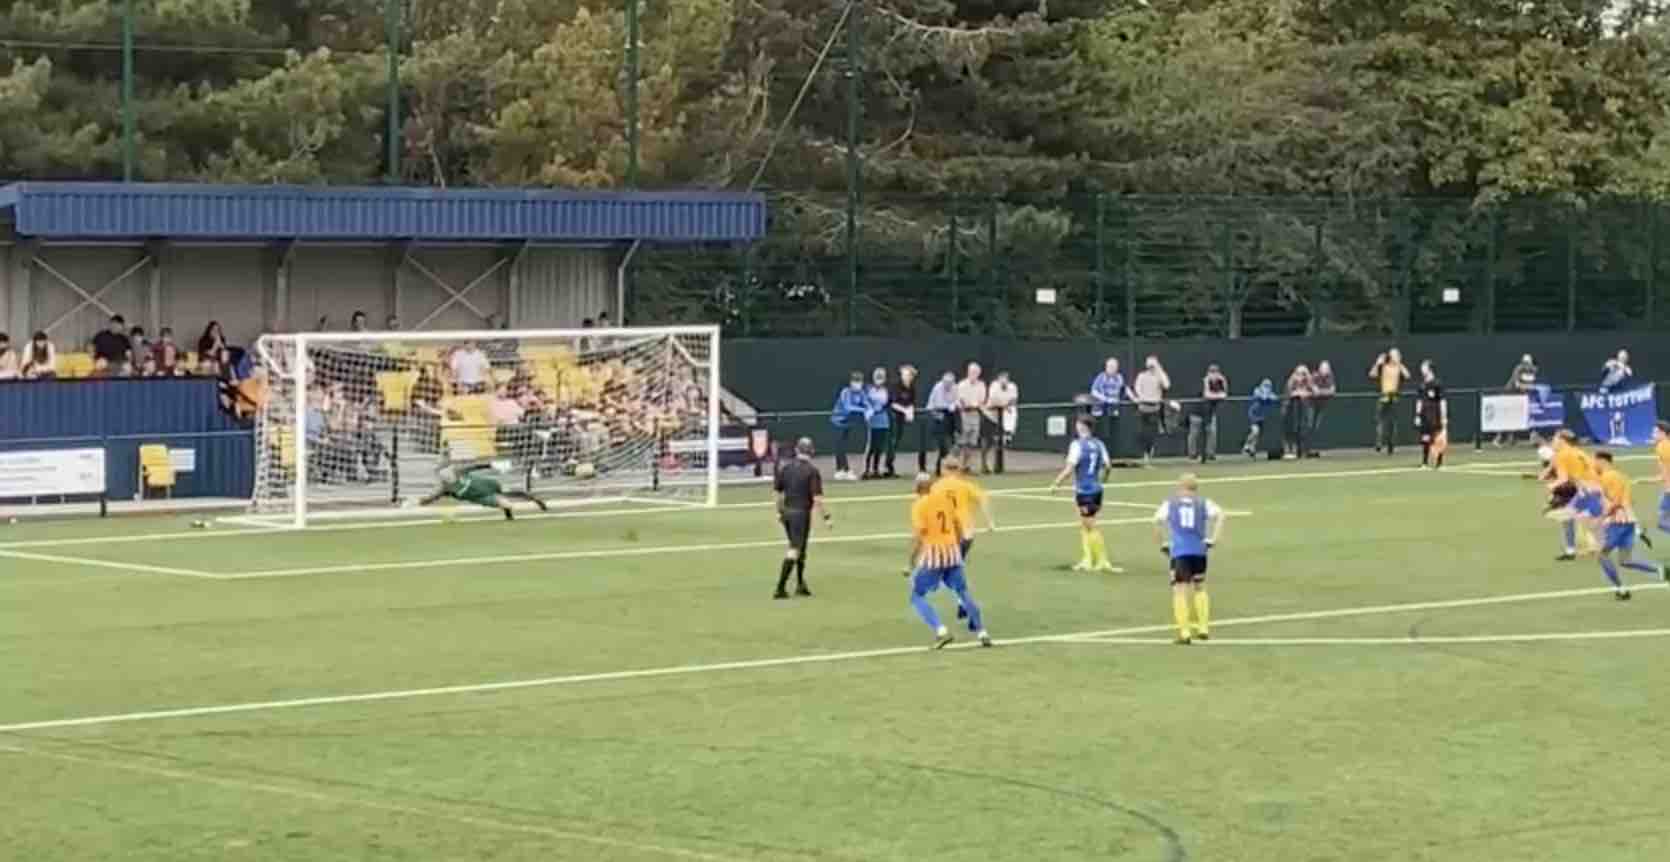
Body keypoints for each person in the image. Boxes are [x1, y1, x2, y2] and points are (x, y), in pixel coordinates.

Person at [905, 472, 991, 649]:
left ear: (917, 488)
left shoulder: (919, 505)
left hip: (935, 554)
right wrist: (956, 546)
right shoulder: (943, 501)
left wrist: (910, 561)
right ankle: (982, 632)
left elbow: (919, 536)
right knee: (962, 591)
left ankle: (941, 631)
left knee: (917, 596)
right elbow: (958, 525)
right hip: (952, 550)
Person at [1154, 474, 1226, 645]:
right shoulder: (1203, 503)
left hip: (1180, 552)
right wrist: (1213, 539)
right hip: (1199, 551)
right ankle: (1203, 628)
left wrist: (1162, 544)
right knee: (1200, 587)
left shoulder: (1170, 503)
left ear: (1180, 487)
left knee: (1179, 590)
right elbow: (1222, 515)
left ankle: (1184, 632)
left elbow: (1156, 521)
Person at [1593, 451, 1666, 601]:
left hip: (1618, 522)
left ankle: (1621, 590)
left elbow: (1616, 501)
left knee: (1602, 555)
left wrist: (1602, 517)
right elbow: (1629, 500)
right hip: (1629, 521)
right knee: (1625, 560)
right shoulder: (1621, 476)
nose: (1594, 465)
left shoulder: (1608, 477)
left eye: (1595, 461)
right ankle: (1660, 570)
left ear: (1602, 461)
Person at [934, 455, 996, 629]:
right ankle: (964, 605)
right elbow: (984, 499)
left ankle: (968, 606)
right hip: (967, 535)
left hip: (948, 536)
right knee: (954, 570)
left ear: (945, 469)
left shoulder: (938, 486)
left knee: (945, 574)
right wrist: (990, 522)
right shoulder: (965, 486)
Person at [1049, 417, 1117, 572]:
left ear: (1082, 426)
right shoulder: (1099, 444)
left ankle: (1101, 560)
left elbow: (1070, 468)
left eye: (1078, 424)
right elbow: (1108, 466)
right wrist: (1103, 480)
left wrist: (1056, 483)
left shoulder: (1077, 445)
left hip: (1084, 490)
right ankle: (1088, 559)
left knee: (1089, 526)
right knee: (1087, 525)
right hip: (1097, 489)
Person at [773, 437, 831, 599]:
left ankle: (800, 583)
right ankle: (780, 587)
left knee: (801, 549)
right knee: (795, 549)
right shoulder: (812, 471)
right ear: (811, 452)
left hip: (787, 513)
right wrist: (826, 517)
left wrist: (779, 511)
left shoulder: (786, 468)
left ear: (797, 450)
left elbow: (777, 492)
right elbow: (817, 499)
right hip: (801, 514)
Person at [414, 462, 549, 520]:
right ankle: (509, 515)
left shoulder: (459, 471)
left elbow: (476, 466)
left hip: (487, 484)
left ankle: (536, 500)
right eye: (443, 474)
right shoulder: (445, 489)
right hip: (481, 497)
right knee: (507, 504)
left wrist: (491, 465)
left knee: (513, 492)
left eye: (446, 472)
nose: (446, 475)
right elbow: (430, 499)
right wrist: (418, 502)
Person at [1547, 430, 1603, 561]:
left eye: (1555, 439)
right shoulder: (1579, 452)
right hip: (1593, 488)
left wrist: (1551, 486)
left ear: (1562, 441)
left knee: (1588, 521)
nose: (1553, 442)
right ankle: (1572, 550)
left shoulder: (1562, 455)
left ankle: (1632, 533)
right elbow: (1594, 469)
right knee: (1570, 518)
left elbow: (1563, 478)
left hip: (1587, 491)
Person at [828, 371, 869, 481]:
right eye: (855, 381)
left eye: (859, 381)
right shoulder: (845, 392)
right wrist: (864, 410)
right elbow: (848, 407)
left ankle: (840, 471)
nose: (857, 384)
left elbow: (867, 403)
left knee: (842, 446)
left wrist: (870, 410)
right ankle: (845, 470)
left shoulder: (861, 393)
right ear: (851, 382)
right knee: (840, 446)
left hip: (848, 423)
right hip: (837, 421)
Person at [1369, 349, 1410, 455]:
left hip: (1394, 397)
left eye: (1397, 355)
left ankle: (1391, 445)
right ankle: (1379, 443)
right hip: (1383, 397)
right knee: (1379, 421)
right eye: (1394, 355)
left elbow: (1407, 375)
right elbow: (1372, 374)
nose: (1396, 357)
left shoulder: (1398, 367)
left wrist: (1400, 364)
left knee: (1392, 424)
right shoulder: (1384, 366)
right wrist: (1377, 363)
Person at [1132, 355, 1169, 464]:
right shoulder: (1141, 376)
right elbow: (1137, 388)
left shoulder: (1159, 376)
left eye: (1153, 365)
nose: (1151, 367)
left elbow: (1166, 385)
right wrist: (1142, 397)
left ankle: (1149, 453)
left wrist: (1160, 370)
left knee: (1151, 433)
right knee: (1143, 433)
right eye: (1150, 365)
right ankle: (1145, 454)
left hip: (1154, 408)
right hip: (1143, 408)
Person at [1090, 358, 1128, 459]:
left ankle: (1111, 457)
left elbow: (1124, 389)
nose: (1112, 369)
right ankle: (1099, 456)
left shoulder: (1119, 378)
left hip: (1113, 411)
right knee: (1102, 434)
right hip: (1100, 411)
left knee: (1113, 435)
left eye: (1114, 367)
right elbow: (1094, 391)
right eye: (1110, 367)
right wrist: (1106, 399)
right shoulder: (1101, 377)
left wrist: (1134, 397)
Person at [885, 364, 919, 477]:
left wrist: (911, 411)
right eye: (904, 374)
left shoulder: (912, 388)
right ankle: (888, 468)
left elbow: (911, 403)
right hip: (893, 416)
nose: (905, 376)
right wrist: (905, 411)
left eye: (908, 374)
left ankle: (890, 466)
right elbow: (893, 404)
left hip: (901, 419)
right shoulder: (896, 386)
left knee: (897, 441)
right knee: (892, 441)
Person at [1189, 364, 1228, 463]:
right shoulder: (1204, 381)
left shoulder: (1220, 382)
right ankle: (1192, 455)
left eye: (1216, 372)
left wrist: (1224, 381)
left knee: (1212, 432)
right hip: (1196, 412)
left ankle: (1210, 454)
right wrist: (1218, 395)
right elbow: (1206, 395)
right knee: (1194, 434)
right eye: (1212, 372)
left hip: (1210, 412)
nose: (1214, 375)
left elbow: (1225, 394)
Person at [1414, 360, 1447, 470]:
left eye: (1424, 367)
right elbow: (1419, 401)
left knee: (1438, 438)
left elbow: (1442, 401)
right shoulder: (1421, 385)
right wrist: (1418, 415)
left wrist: (1443, 417)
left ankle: (1439, 463)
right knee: (1425, 438)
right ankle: (1424, 463)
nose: (1422, 369)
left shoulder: (1437, 383)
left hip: (1435, 415)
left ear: (1429, 369)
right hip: (1425, 416)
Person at [924, 370, 958, 474]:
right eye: (946, 382)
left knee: (948, 445)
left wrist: (954, 404)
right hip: (936, 417)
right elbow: (939, 405)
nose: (948, 385)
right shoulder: (938, 387)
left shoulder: (955, 388)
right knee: (943, 445)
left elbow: (957, 400)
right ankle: (939, 469)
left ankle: (941, 469)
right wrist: (950, 406)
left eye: (950, 383)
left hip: (949, 418)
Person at [985, 370, 1018, 474]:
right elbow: (993, 400)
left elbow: (1014, 400)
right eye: (1001, 380)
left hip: (1005, 412)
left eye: (1005, 380)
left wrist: (1006, 405)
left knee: (1012, 410)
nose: (1003, 382)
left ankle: (1008, 434)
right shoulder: (994, 386)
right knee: (989, 441)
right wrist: (1003, 405)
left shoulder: (1012, 386)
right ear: (998, 380)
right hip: (991, 414)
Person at [955, 362, 987, 469]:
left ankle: (966, 465)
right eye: (972, 372)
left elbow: (981, 400)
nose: (974, 374)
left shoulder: (981, 385)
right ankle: (957, 464)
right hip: (964, 414)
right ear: (968, 372)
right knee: (962, 441)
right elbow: (962, 400)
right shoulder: (962, 385)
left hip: (975, 414)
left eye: (976, 372)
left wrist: (976, 405)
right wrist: (969, 404)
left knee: (972, 442)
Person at [862, 366, 891, 479]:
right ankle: (866, 470)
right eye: (877, 377)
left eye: (881, 377)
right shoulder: (868, 389)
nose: (879, 379)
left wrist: (880, 407)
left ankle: (876, 470)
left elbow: (887, 403)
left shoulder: (886, 390)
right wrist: (871, 410)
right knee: (871, 447)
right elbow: (866, 402)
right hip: (873, 421)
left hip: (883, 421)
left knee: (879, 447)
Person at [1282, 364, 1312, 459]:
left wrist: (1306, 393)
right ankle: (1290, 451)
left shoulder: (1308, 382)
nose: (1301, 376)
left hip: (1304, 410)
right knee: (1292, 429)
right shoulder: (1291, 382)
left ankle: (1303, 451)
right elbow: (1288, 394)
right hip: (1291, 410)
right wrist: (1295, 394)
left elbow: (1314, 391)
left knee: (1304, 428)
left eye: (1303, 374)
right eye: (1298, 373)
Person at [1242, 378, 1279, 458]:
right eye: (1265, 385)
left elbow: (1275, 398)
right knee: (1255, 431)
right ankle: (1246, 445)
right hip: (1254, 415)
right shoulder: (1257, 390)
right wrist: (1268, 395)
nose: (1266, 387)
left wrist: (1271, 396)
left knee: (1257, 434)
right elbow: (1263, 397)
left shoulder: (1270, 393)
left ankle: (1252, 449)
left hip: (1261, 417)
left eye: (1268, 386)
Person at [1308, 360, 1335, 455]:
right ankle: (1304, 449)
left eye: (1328, 370)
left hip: (1321, 406)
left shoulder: (1330, 377)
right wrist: (1322, 392)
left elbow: (1332, 391)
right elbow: (1315, 391)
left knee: (1316, 427)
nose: (1326, 372)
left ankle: (1311, 449)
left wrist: (1321, 392)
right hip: (1310, 405)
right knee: (1309, 425)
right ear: (1320, 369)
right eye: (1324, 369)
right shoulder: (1314, 376)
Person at [1656, 422, 1670, 536]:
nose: (1653, 434)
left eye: (1655, 432)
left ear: (1662, 433)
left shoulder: (1662, 447)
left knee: (1662, 522)